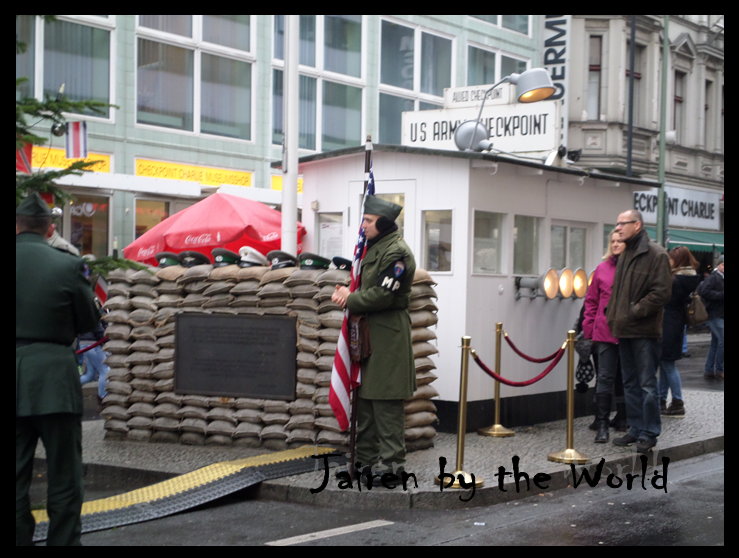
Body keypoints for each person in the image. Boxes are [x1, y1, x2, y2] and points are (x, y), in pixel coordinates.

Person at [16, 192, 101, 546]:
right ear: (49, 228)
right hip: (55, 379)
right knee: (64, 475)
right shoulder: (68, 264)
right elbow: (89, 321)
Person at [332, 196, 416, 484]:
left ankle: (394, 467)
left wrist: (349, 298)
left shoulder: (397, 253)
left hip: (387, 337)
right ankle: (365, 461)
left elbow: (383, 295)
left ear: (382, 222)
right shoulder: (376, 248)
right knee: (365, 401)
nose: (363, 226)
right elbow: (369, 286)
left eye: (367, 221)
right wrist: (349, 291)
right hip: (369, 334)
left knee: (386, 402)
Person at [605, 209, 671, 454]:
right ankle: (635, 428)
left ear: (638, 225)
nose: (619, 227)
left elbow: (661, 294)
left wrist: (633, 311)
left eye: (623, 223)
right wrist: (612, 313)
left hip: (643, 330)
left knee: (646, 385)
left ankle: (649, 432)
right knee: (630, 383)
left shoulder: (656, 254)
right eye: (618, 223)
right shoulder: (626, 253)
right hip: (624, 328)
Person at [582, 229, 626, 443]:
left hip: (630, 332)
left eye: (620, 241)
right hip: (605, 333)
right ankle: (602, 424)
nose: (616, 244)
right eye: (613, 241)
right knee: (605, 378)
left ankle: (626, 418)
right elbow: (591, 302)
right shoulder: (601, 269)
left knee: (628, 378)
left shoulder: (634, 269)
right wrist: (589, 330)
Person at [658, 246, 702, 418]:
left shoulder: (675, 280)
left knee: (667, 364)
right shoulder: (688, 277)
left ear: (678, 260)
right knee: (665, 363)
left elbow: (664, 299)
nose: (668, 261)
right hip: (676, 324)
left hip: (668, 324)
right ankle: (661, 400)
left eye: (671, 259)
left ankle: (677, 402)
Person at [700, 255, 724, 379]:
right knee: (722, 341)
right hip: (714, 315)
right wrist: (721, 295)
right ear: (718, 265)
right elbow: (704, 292)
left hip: (720, 314)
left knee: (715, 343)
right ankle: (720, 369)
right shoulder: (713, 278)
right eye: (723, 265)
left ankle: (709, 370)